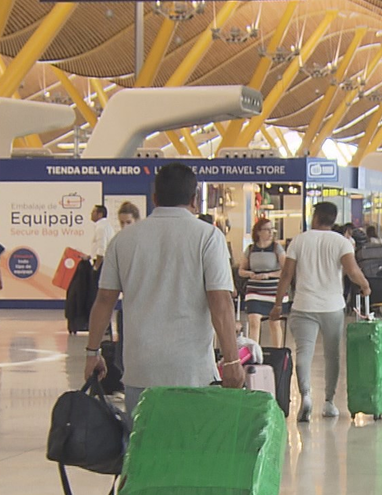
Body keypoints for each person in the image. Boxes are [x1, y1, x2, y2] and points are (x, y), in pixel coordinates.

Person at [87, 164, 245, 413]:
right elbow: (220, 303)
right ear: (194, 200)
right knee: (191, 447)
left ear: (154, 198)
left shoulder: (123, 240)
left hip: (140, 370)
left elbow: (104, 300)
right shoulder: (208, 237)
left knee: (142, 445)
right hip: (191, 372)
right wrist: (233, 361)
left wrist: (92, 353)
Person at [272, 201, 371, 422]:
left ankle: (306, 395)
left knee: (303, 353)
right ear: (333, 219)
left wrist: (278, 304)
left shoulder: (299, 240)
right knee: (332, 354)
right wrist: (365, 286)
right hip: (332, 307)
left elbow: (286, 275)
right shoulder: (342, 242)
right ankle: (329, 402)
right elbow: (352, 271)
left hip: (303, 305)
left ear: (315, 217)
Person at [240, 218, 287, 347]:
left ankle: (277, 352)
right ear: (259, 232)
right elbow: (241, 270)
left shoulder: (277, 248)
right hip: (255, 288)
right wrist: (250, 274)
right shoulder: (250, 249)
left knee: (274, 322)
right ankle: (254, 352)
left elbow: (285, 270)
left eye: (272, 229)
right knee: (254, 320)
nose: (270, 232)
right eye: (267, 229)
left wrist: (269, 275)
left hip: (273, 289)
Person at [90, 205, 115, 269]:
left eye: (94, 212)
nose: (91, 213)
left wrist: (96, 267)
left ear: (100, 214)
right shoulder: (107, 225)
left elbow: (101, 248)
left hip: (101, 263)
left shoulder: (101, 227)